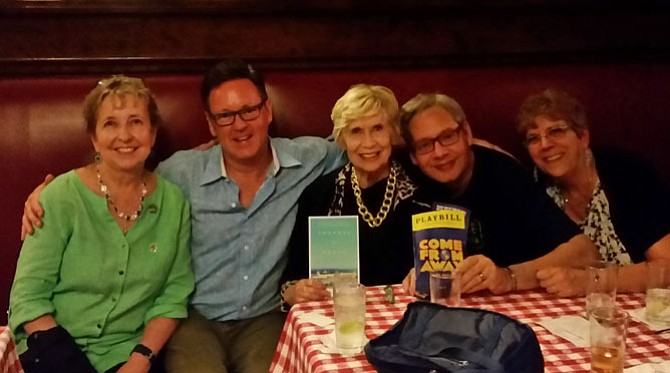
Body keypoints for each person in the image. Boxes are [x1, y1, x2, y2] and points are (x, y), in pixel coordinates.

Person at [19, 60, 345, 373]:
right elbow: (117, 173)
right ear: (211, 124)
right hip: (194, 319)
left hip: (263, 317)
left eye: (249, 110)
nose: (240, 124)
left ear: (267, 110)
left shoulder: (308, 159)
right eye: (226, 116)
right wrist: (45, 193)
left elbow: (362, 141)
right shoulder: (179, 174)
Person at [9, 76, 194, 373]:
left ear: (153, 133)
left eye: (135, 122)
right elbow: (28, 298)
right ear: (94, 138)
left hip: (130, 353)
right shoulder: (60, 196)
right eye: (110, 124)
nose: (125, 135)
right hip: (52, 346)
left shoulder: (174, 203)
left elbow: (173, 296)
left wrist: (140, 359)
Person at [397, 92, 599, 297]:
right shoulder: (408, 182)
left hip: (516, 308)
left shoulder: (504, 175)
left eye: (448, 136)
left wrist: (508, 277)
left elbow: (584, 252)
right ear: (413, 156)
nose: (439, 152)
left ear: (467, 133)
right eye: (424, 145)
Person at [517, 88, 670, 295]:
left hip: (648, 309)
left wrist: (591, 281)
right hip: (575, 315)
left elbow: (666, 267)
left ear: (583, 137)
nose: (545, 144)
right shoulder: (536, 187)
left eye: (556, 131)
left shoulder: (626, 173)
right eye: (534, 138)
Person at [280, 84, 417, 307]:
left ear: (392, 132)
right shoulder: (319, 194)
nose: (369, 143)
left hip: (410, 314)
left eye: (378, 128)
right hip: (339, 318)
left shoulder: (420, 188)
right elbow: (290, 279)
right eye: (356, 131)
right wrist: (296, 290)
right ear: (342, 139)